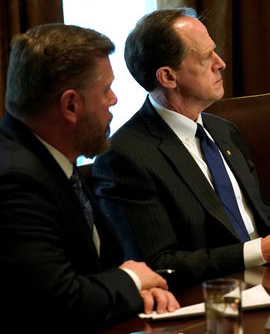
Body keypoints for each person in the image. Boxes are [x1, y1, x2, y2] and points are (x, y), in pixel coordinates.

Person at [92, 8, 270, 289]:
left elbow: (262, 225)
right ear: (168, 77)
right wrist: (261, 250)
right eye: (205, 57)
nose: (221, 63)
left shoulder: (223, 130)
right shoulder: (124, 155)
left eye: (216, 52)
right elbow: (158, 264)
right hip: (209, 296)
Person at [0, 24, 179, 332]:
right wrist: (133, 280)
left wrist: (134, 288)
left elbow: (97, 269)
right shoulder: (15, 180)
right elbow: (60, 302)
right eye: (106, 90)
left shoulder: (52, 155)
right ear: (71, 105)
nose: (114, 100)